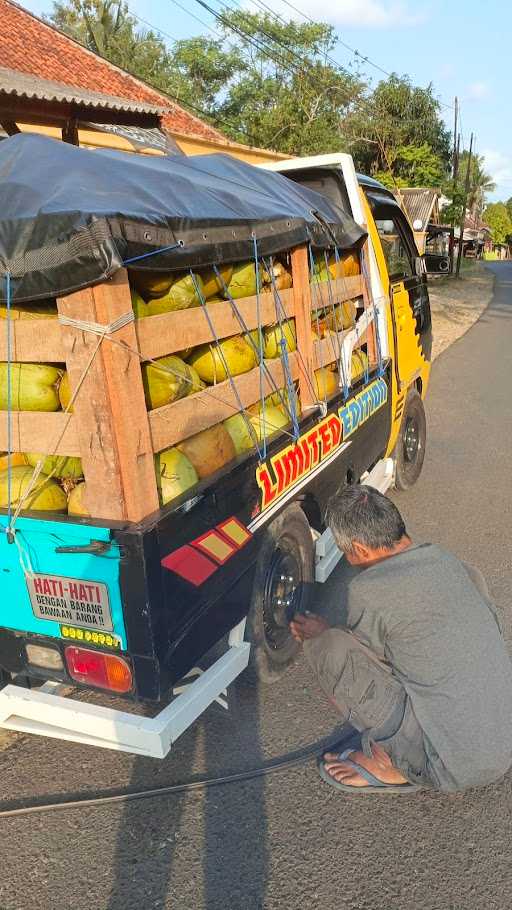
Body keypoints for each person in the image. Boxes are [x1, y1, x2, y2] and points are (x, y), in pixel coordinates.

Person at [290, 484, 512, 793]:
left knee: (331, 648)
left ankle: (390, 765)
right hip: (503, 744)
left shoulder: (369, 590)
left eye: (346, 552)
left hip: (450, 766)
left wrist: (323, 634)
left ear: (360, 549)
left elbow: (371, 665)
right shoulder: (448, 561)